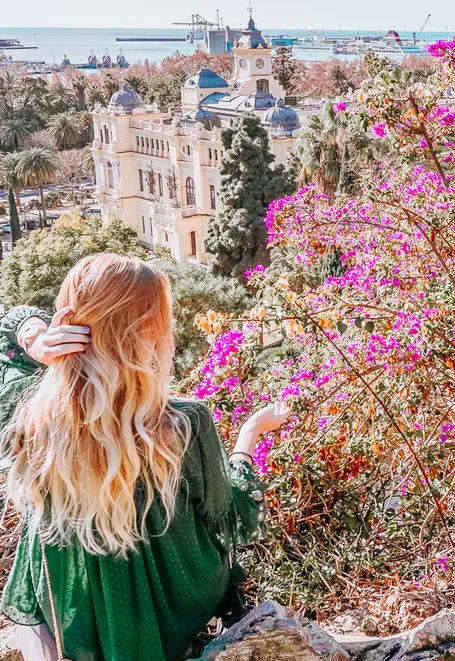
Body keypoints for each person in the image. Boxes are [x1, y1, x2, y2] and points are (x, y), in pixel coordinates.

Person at [0, 253, 291, 661]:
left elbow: (7, 333)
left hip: (77, 626)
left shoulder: (31, 420)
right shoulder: (184, 424)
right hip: (177, 620)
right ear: (147, 333)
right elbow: (230, 516)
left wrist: (36, 345)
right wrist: (250, 434)